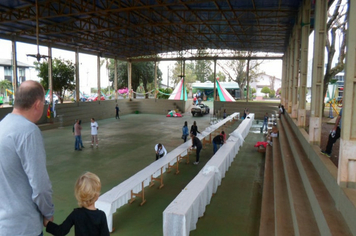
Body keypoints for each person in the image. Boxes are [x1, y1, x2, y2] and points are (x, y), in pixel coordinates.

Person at [0, 80, 54, 236]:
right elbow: (40, 186)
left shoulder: (2, 126)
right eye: (44, 103)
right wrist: (48, 213)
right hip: (25, 227)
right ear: (37, 104)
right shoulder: (29, 131)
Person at [45, 172, 110, 236]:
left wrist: (47, 223)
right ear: (96, 196)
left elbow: (60, 231)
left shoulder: (76, 214)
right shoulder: (101, 216)